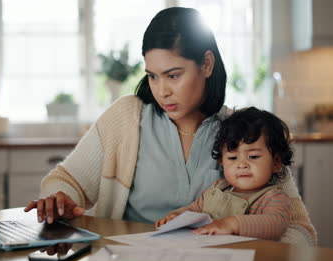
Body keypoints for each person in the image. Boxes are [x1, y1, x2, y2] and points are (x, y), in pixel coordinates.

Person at [24, 7, 317, 246]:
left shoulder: (246, 132)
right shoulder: (126, 118)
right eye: (152, 76)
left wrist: (249, 242)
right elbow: (67, 181)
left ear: (206, 64)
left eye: (173, 75)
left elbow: (301, 232)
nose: (161, 91)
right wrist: (60, 199)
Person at [155, 107, 292, 240]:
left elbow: (277, 225)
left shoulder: (273, 197)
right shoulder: (218, 188)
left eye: (253, 156)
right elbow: (195, 207)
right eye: (233, 158)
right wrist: (177, 214)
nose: (242, 164)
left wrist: (232, 224)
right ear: (222, 162)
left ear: (276, 162)